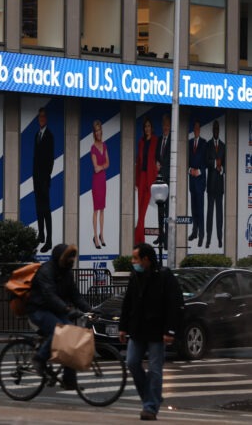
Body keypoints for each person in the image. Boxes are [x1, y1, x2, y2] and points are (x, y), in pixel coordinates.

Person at [119, 243, 184, 421]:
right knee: (132, 362)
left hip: (157, 330)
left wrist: (170, 330)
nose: (133, 262)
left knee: (155, 369)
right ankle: (151, 397)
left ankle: (150, 407)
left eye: (135, 258)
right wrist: (123, 327)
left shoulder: (164, 276)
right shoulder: (135, 276)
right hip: (137, 329)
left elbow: (174, 304)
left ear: (146, 259)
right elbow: (128, 302)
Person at [26, 243, 90, 390]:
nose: (71, 260)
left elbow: (75, 295)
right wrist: (67, 309)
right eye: (69, 257)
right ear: (60, 257)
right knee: (59, 331)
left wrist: (90, 310)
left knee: (71, 337)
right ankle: (39, 359)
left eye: (73, 257)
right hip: (38, 309)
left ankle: (69, 380)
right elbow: (49, 295)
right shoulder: (46, 271)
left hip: (55, 310)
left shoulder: (66, 273)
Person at [33, 107, 54, 253]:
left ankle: (49, 240)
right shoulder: (37, 135)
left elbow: (50, 159)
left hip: (44, 179)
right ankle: (41, 234)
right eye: (39, 117)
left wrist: (46, 177)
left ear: (46, 118)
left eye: (43, 117)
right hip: (36, 178)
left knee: (46, 210)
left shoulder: (49, 136)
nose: (41, 119)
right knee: (39, 208)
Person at [135, 117, 158, 244]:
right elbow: (138, 162)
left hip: (150, 178)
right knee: (140, 210)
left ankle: (138, 239)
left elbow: (158, 158)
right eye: (145, 126)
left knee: (142, 212)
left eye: (149, 126)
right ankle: (140, 240)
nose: (147, 128)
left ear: (151, 128)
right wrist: (136, 181)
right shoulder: (141, 142)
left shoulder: (155, 140)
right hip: (142, 177)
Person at [205, 120, 225, 248]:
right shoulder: (208, 145)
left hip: (219, 187)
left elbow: (226, 165)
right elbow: (206, 161)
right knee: (210, 213)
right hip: (211, 185)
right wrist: (214, 164)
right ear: (212, 130)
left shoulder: (223, 146)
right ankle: (208, 239)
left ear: (219, 130)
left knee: (219, 214)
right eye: (214, 128)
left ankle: (219, 239)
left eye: (218, 128)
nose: (216, 130)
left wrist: (221, 168)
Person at [90, 119, 109, 249]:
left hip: (103, 180)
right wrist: (103, 166)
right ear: (94, 133)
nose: (98, 132)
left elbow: (109, 163)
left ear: (101, 131)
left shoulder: (105, 145)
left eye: (99, 130)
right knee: (96, 209)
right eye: (96, 130)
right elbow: (96, 168)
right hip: (96, 181)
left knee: (102, 209)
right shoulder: (93, 148)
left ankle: (102, 235)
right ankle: (95, 237)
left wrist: (102, 166)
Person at [188, 119, 207, 247]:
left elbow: (205, 161)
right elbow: (187, 160)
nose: (196, 130)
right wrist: (190, 170)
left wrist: (198, 171)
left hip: (200, 180)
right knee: (194, 208)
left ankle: (201, 235)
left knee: (200, 209)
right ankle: (194, 231)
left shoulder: (204, 143)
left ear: (199, 130)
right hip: (192, 179)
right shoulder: (189, 143)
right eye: (194, 128)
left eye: (197, 128)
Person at [154, 114, 171, 250]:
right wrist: (157, 163)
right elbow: (156, 156)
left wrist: (163, 166)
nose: (165, 127)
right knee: (160, 210)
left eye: (167, 125)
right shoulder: (160, 140)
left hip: (169, 181)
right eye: (164, 125)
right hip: (160, 180)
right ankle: (161, 235)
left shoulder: (173, 140)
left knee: (168, 211)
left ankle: (166, 238)